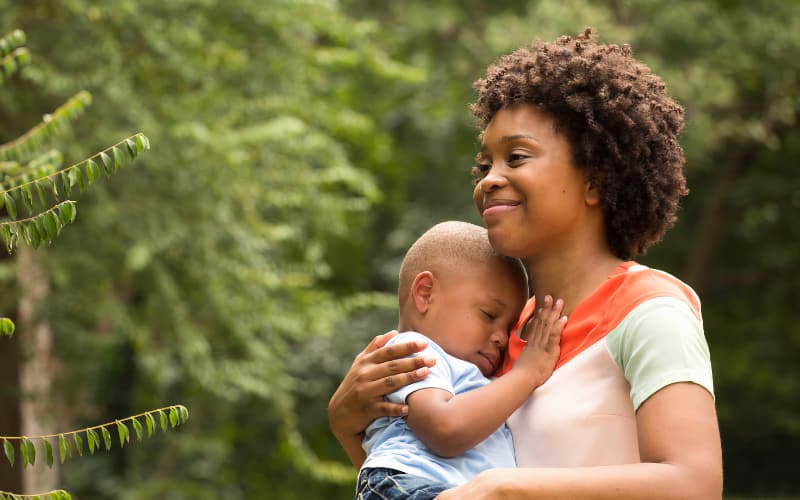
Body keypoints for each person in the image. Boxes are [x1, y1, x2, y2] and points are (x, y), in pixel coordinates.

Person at [329, 27, 722, 499]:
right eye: (485, 165)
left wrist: (505, 489)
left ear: (594, 182)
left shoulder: (651, 310)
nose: (491, 180)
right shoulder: (501, 338)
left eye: (516, 157)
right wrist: (348, 426)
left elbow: (694, 484)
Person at [356, 220, 566, 499]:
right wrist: (527, 373)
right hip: (406, 483)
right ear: (425, 293)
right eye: (489, 315)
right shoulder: (413, 351)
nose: (501, 338)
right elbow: (446, 430)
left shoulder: (473, 374)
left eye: (509, 327)